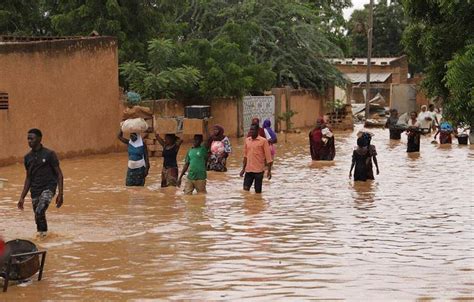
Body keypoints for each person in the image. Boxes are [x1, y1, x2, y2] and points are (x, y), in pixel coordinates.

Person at [17, 129, 64, 238]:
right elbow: (28, 178)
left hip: (48, 188)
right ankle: (43, 237)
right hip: (35, 191)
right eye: (28, 139)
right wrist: (22, 197)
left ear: (39, 139)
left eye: (31, 138)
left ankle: (43, 237)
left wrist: (60, 194)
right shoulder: (27, 157)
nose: (29, 141)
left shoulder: (49, 154)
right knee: (38, 217)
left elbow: (59, 175)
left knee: (39, 211)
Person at [240, 124, 273, 193]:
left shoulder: (263, 141)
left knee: (257, 192)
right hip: (248, 170)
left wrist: (269, 171)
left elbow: (268, 157)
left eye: (253, 130)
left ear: (257, 131)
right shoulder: (247, 140)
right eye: (250, 130)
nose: (251, 131)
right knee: (245, 190)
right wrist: (243, 169)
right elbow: (245, 156)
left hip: (259, 171)